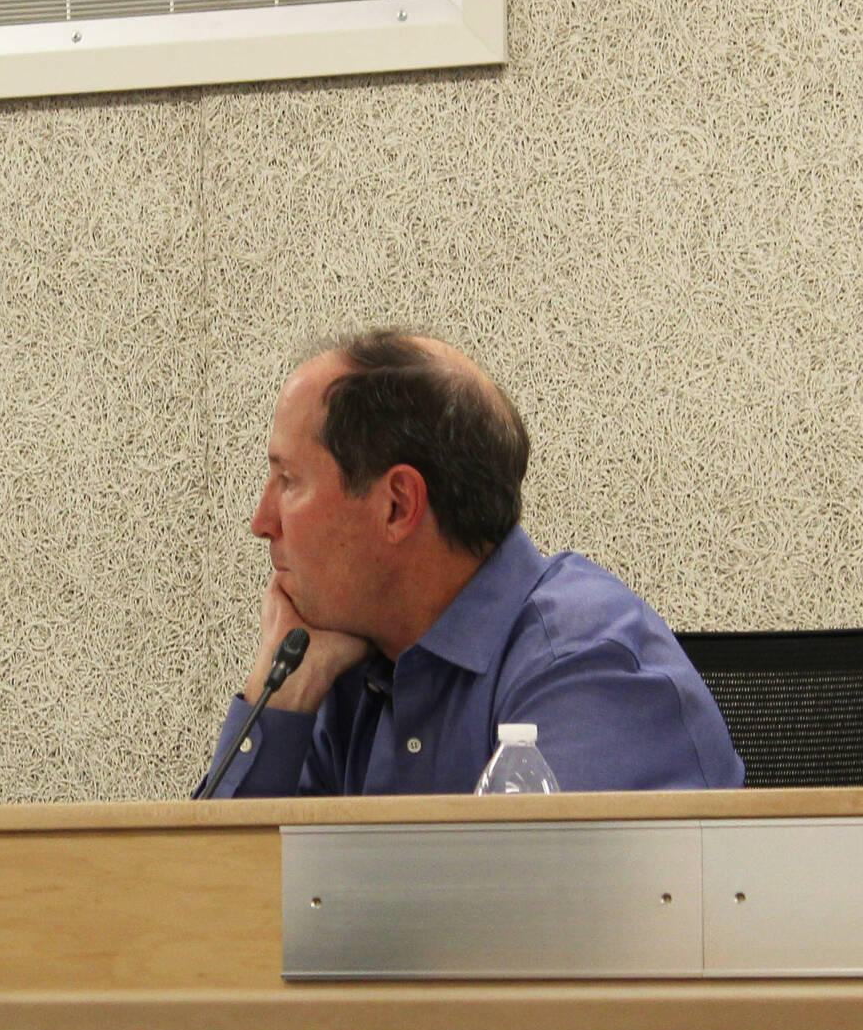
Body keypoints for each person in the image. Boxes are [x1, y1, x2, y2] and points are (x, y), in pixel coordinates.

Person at [199, 330, 742, 797]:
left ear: (398, 505)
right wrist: (284, 694)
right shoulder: (350, 668)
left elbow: (547, 913)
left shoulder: (588, 668)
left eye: (289, 481)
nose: (261, 521)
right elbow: (210, 902)